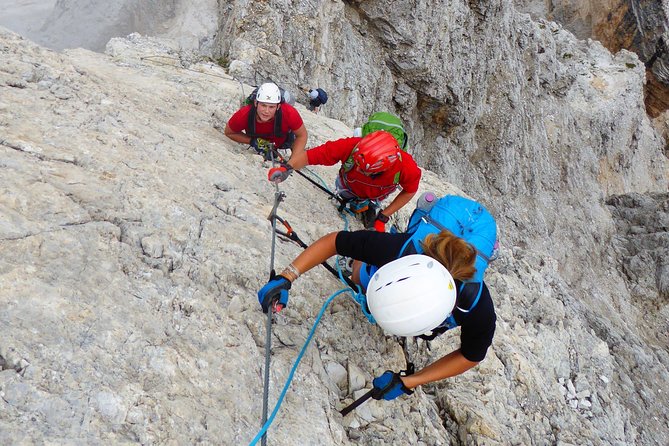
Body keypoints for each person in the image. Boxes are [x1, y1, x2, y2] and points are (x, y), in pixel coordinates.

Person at [256, 227, 496, 401]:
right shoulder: (397, 250)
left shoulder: (478, 308)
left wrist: (409, 382)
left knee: (363, 277)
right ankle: (360, 265)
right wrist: (287, 276)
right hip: (393, 262)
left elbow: (471, 355)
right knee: (358, 278)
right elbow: (335, 242)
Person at [267, 130, 422, 231]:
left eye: (365, 170)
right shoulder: (351, 146)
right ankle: (355, 202)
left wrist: (383, 216)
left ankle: (368, 206)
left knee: (369, 203)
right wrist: (287, 168)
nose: (359, 169)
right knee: (347, 194)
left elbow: (410, 191)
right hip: (347, 186)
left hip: (375, 194)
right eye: (358, 165)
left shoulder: (406, 167)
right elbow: (313, 155)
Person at [224, 82, 308, 160]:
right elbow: (229, 132)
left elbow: (302, 135)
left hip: (283, 142)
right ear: (256, 103)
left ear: (278, 106)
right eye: (263, 105)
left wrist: (293, 160)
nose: (266, 111)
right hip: (265, 141)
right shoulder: (245, 114)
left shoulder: (289, 113)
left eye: (271, 107)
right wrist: (252, 141)